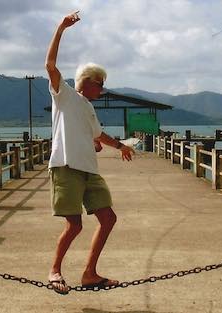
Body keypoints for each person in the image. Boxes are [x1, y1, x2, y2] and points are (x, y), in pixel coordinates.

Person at [45, 11, 134, 295]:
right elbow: (50, 64)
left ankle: (89, 273)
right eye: (101, 84)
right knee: (74, 225)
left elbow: (98, 135)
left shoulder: (89, 108)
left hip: (89, 170)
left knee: (108, 218)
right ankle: (55, 270)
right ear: (88, 81)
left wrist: (120, 146)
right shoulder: (65, 95)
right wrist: (61, 28)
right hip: (66, 166)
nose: (103, 89)